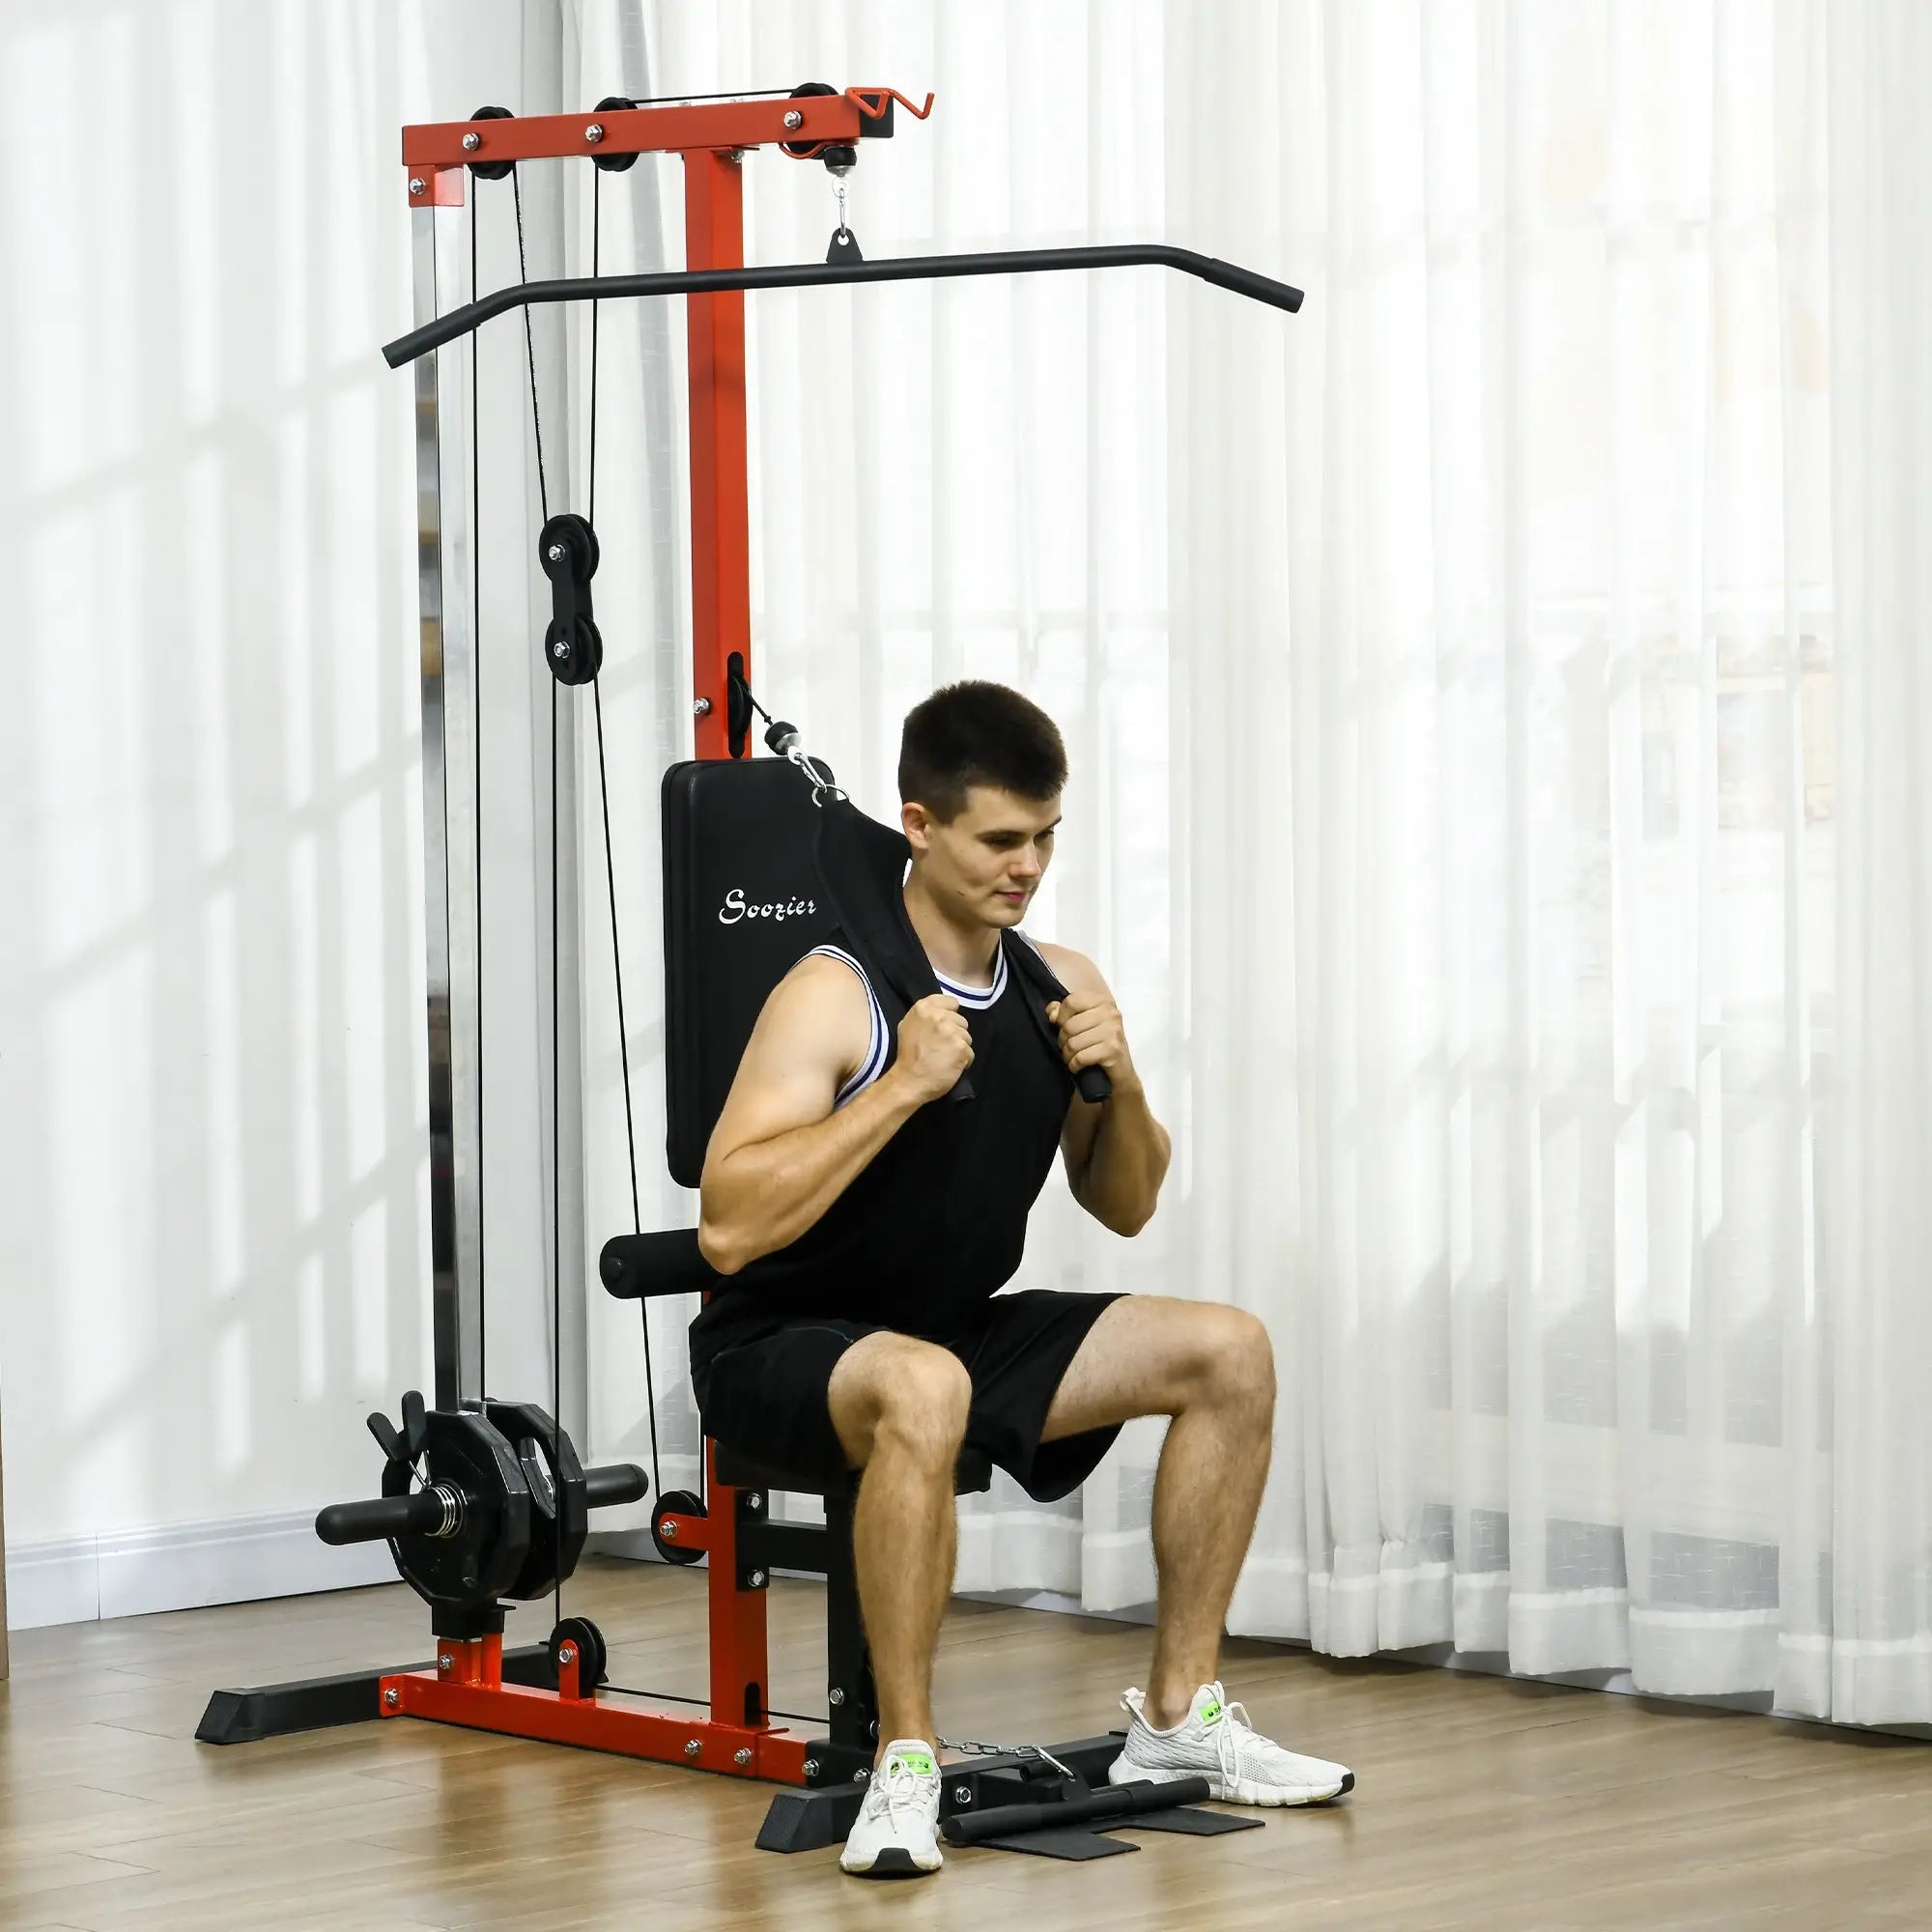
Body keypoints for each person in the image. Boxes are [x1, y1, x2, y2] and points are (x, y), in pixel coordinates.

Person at [691, 680, 1351, 1878]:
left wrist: (1125, 1081)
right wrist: (897, 1086)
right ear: (921, 824)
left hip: (949, 1329)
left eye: (1046, 837)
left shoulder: (1058, 981)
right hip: (780, 1342)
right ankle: (905, 1764)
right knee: (925, 1384)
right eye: (1002, 839)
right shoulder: (835, 991)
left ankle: (1174, 1718)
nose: (1028, 865)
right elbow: (728, 1230)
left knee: (1229, 1349)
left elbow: (1126, 1200)